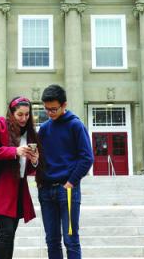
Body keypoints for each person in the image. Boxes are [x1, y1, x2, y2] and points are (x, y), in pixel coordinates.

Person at [0, 96, 40, 259]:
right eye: (20, 114)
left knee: (10, 235)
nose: (24, 118)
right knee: (5, 233)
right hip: (1, 188)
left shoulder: (29, 133)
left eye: (27, 115)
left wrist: (34, 161)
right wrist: (14, 151)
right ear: (11, 113)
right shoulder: (0, 124)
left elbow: (26, 170)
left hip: (18, 189)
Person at [36, 84, 93, 259]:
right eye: (47, 109)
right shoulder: (44, 128)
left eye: (54, 109)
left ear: (64, 105)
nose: (50, 113)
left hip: (67, 190)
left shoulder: (75, 125)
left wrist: (71, 182)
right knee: (51, 240)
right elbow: (41, 157)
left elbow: (87, 158)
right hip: (46, 191)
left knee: (70, 240)